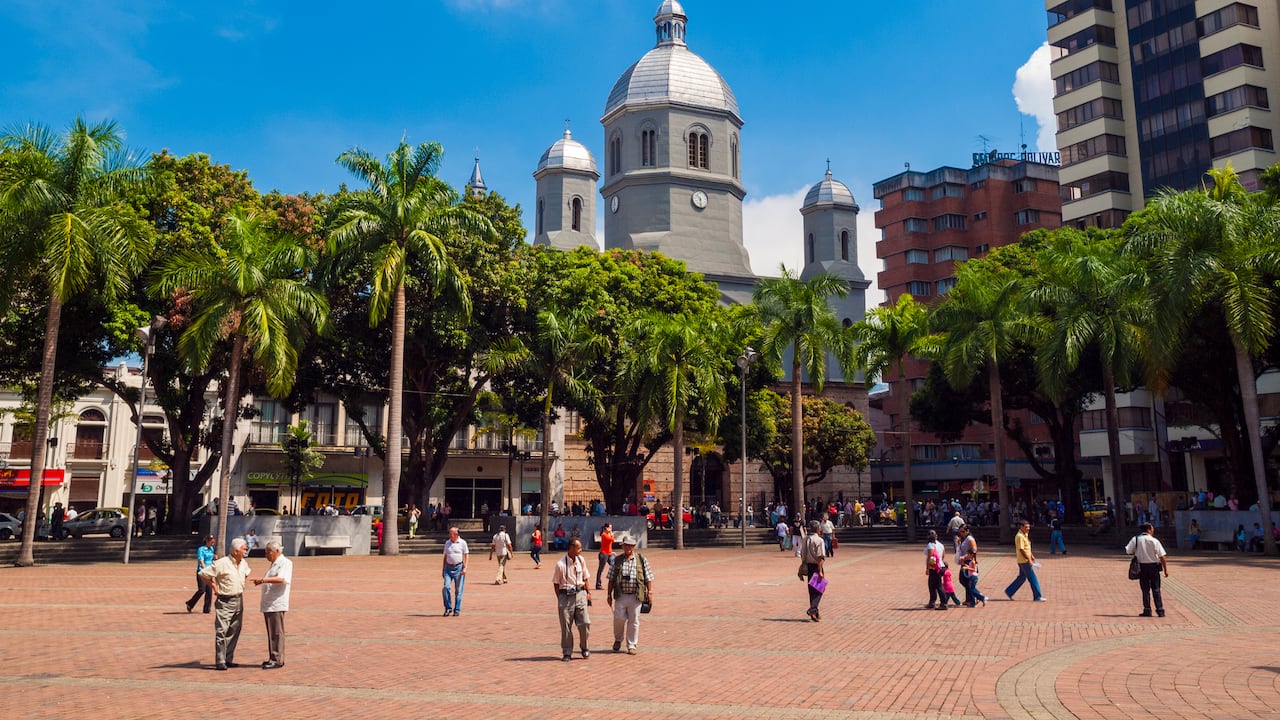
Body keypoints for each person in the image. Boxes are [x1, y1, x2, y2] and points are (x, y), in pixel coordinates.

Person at [198, 537, 251, 670]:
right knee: (222, 630)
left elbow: (246, 573)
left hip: (239, 599)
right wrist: (214, 586)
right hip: (225, 600)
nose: (246, 551)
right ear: (235, 551)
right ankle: (220, 660)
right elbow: (203, 574)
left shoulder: (243, 562)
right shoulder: (222, 563)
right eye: (244, 549)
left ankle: (228, 658)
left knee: (235, 629)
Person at [607, 533, 652, 655]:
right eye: (625, 546)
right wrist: (608, 595)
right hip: (621, 595)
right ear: (622, 547)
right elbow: (611, 579)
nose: (627, 548)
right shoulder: (616, 561)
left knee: (634, 620)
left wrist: (650, 592)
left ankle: (632, 645)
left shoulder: (641, 560)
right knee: (618, 619)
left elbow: (648, 577)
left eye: (629, 546)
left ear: (633, 547)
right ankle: (618, 639)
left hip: (636, 595)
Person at [252, 540, 292, 668]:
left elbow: (281, 579)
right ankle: (273, 656)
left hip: (276, 603)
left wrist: (263, 580)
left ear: (276, 552)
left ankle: (277, 659)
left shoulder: (285, 563)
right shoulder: (274, 564)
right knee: (271, 631)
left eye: (268, 552)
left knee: (276, 632)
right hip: (270, 603)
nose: (266, 555)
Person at [552, 538, 592, 661]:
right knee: (566, 626)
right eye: (578, 548)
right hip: (565, 596)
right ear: (571, 548)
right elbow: (556, 583)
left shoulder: (581, 560)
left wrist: (588, 592)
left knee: (585, 622)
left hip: (580, 594)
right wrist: (561, 598)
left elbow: (585, 577)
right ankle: (567, 652)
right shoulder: (560, 564)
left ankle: (584, 647)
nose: (580, 550)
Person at [1125, 522, 1168, 617]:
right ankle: (1160, 610)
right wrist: (1165, 570)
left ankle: (1147, 610)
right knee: (1156, 589)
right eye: (1152, 528)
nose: (1153, 530)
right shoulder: (1154, 541)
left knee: (1145, 590)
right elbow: (1162, 557)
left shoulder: (1135, 539)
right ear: (1149, 529)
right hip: (1154, 567)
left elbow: (1128, 550)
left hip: (1142, 568)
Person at [1004, 520, 1045, 602]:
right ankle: (1037, 596)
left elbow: (1027, 547)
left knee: (1022, 577)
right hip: (1024, 560)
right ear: (1021, 527)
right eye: (1026, 527)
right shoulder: (1019, 536)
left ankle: (1009, 591)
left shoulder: (1024, 535)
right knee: (1033, 578)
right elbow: (1021, 549)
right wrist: (1028, 559)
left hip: (1023, 560)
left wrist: (1031, 555)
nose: (1028, 529)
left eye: (1029, 527)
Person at [800, 519, 826, 621]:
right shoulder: (819, 540)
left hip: (808, 565)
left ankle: (815, 612)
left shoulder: (805, 539)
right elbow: (820, 557)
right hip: (816, 566)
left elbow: (802, 553)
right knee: (820, 589)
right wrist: (820, 571)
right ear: (818, 529)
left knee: (812, 590)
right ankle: (813, 608)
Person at [441, 526, 468, 616]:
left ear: (456, 534)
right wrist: (443, 569)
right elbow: (445, 556)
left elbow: (466, 555)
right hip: (448, 568)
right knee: (446, 587)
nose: (449, 535)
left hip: (459, 568)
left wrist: (465, 567)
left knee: (458, 590)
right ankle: (448, 608)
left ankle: (457, 609)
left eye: (451, 533)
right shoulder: (447, 543)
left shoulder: (462, 543)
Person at [186, 535, 217, 613]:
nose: (213, 543)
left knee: (209, 591)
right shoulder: (201, 549)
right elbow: (201, 560)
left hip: (209, 571)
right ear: (207, 541)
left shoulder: (211, 549)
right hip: (202, 571)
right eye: (211, 541)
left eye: (213, 541)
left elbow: (211, 559)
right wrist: (205, 569)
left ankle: (207, 609)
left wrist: (214, 559)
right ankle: (190, 603)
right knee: (201, 590)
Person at [924, 530, 949, 611]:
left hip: (935, 568)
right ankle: (932, 602)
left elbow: (930, 557)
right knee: (932, 585)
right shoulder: (940, 545)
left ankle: (944, 603)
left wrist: (928, 568)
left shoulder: (930, 545)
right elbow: (943, 556)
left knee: (938, 585)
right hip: (940, 567)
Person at [595, 522, 614, 590]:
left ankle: (615, 582)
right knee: (600, 569)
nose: (611, 529)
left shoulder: (608, 534)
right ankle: (598, 584)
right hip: (603, 554)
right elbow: (611, 540)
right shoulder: (604, 535)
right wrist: (612, 534)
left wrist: (612, 552)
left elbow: (609, 545)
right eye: (610, 528)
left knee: (613, 567)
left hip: (609, 554)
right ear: (606, 528)